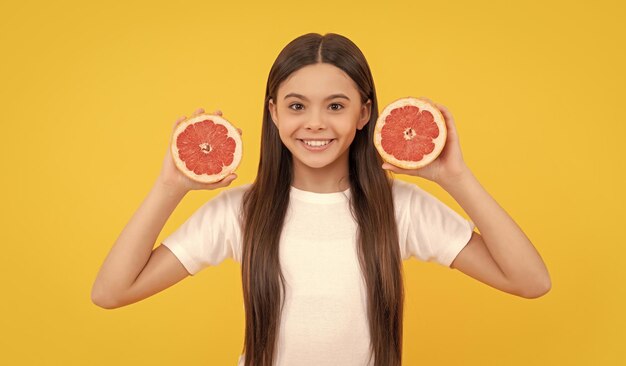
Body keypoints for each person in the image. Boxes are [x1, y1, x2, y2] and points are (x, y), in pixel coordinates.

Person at [91, 32, 551, 366]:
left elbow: (530, 281)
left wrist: (457, 177)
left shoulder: (400, 209)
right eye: (296, 105)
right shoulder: (241, 212)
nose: (315, 123)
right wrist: (170, 187)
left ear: (363, 113)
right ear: (272, 113)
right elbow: (112, 292)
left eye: (335, 105)